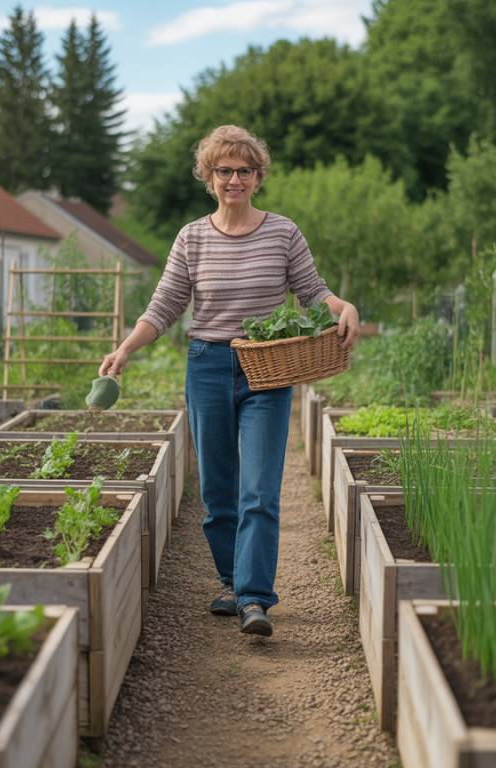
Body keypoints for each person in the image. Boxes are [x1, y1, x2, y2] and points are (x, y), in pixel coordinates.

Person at [99, 124, 360, 637]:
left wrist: (342, 306)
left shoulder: (282, 232)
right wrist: (126, 348)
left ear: (258, 177)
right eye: (224, 170)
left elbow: (313, 292)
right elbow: (166, 305)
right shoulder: (191, 237)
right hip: (207, 366)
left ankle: (255, 598)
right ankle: (230, 581)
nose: (234, 179)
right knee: (219, 489)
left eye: (244, 170)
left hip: (267, 368)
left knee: (259, 488)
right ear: (208, 176)